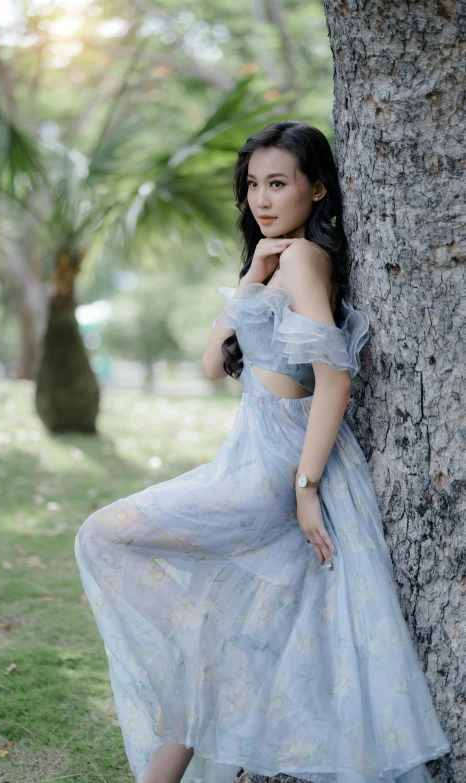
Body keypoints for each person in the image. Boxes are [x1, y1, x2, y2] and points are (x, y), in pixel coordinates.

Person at [74, 121, 451, 783]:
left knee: (102, 534)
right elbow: (209, 366)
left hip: (274, 468)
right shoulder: (275, 260)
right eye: (253, 184)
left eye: (278, 183)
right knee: (218, 647)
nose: (261, 198)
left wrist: (304, 487)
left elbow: (334, 378)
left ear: (319, 188)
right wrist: (250, 273)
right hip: (245, 456)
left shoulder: (305, 258)